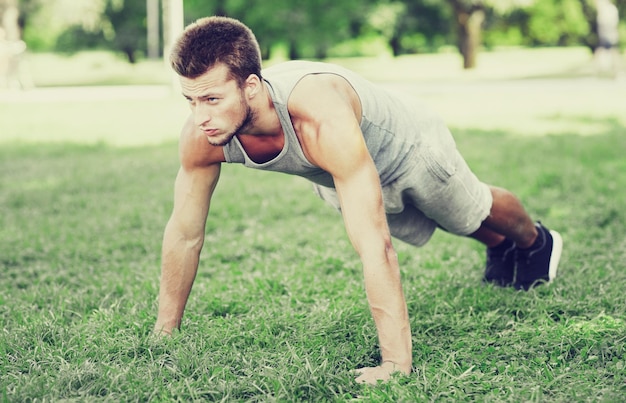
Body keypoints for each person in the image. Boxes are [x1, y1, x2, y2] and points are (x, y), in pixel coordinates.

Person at [153, 16, 563, 385]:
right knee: (445, 222)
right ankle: (500, 248)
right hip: (341, 168)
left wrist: (395, 363)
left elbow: (374, 246)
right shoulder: (202, 135)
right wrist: (164, 332)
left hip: (408, 147)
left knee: (469, 211)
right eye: (190, 100)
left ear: (252, 87)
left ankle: (535, 243)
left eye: (212, 100)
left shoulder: (316, 117)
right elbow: (185, 234)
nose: (199, 116)